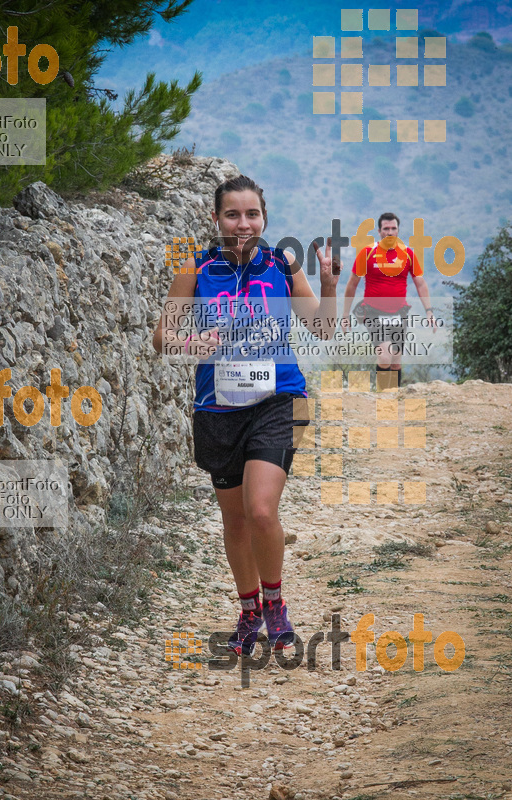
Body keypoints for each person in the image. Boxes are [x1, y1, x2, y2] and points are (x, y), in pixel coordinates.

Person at [153, 175, 340, 656]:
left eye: (252, 214)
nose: (243, 223)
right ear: (216, 218)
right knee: (234, 522)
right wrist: (195, 342)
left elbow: (320, 327)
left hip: (279, 399)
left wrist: (329, 284)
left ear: (264, 217)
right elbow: (162, 338)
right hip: (218, 407)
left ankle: (275, 604)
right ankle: (249, 611)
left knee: (260, 511)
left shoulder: (282, 263)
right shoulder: (194, 268)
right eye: (232, 214)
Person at [340, 212, 437, 387]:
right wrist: (345, 314)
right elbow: (351, 285)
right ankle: (384, 398)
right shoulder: (368, 253)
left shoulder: (407, 254)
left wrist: (429, 311)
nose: (390, 232)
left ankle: (393, 398)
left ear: (398, 231)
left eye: (393, 228)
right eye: (386, 228)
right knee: (384, 356)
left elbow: (420, 283)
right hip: (373, 312)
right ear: (379, 231)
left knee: (395, 361)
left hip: (400, 313)